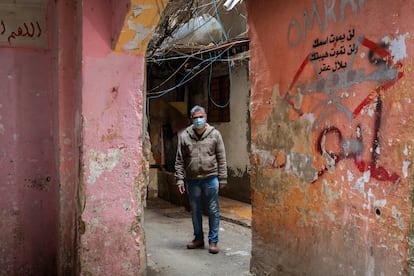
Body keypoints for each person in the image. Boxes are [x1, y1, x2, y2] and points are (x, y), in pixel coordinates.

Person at [175, 105, 227, 254]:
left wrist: (223, 178)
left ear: (206, 117)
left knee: (213, 210)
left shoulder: (215, 135)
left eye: (201, 117)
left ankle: (213, 241)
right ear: (191, 119)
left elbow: (221, 157)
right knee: (195, 210)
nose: (198, 120)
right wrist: (179, 179)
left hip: (211, 178)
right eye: (195, 117)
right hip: (192, 180)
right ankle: (198, 238)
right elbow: (179, 160)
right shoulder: (184, 136)